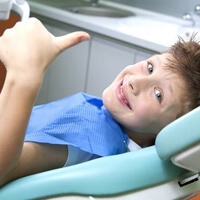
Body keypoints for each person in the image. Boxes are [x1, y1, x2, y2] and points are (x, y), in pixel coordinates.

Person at [0, 18, 200, 187]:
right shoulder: (109, 132)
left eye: (158, 95)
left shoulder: (87, 145)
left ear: (169, 130)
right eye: (149, 68)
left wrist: (24, 76)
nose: (135, 82)